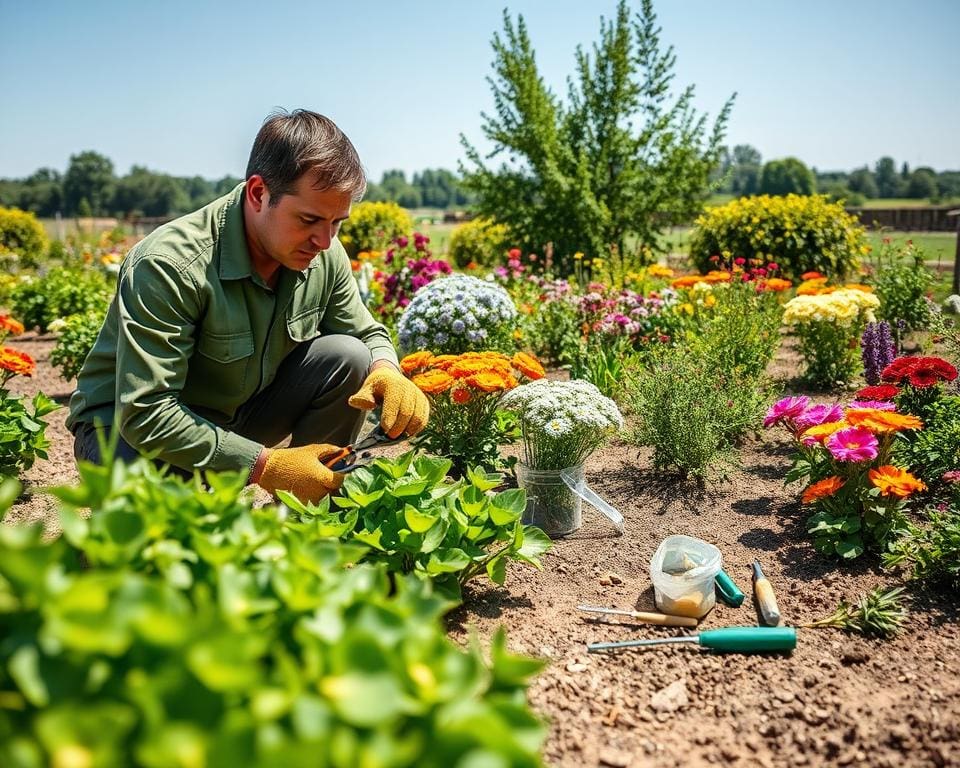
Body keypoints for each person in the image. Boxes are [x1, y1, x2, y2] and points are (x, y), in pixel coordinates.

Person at [66, 109, 429, 502]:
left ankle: (306, 521)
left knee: (349, 356)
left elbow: (365, 333)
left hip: (234, 421)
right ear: (258, 193)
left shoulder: (323, 253)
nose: (324, 240)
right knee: (166, 553)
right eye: (308, 219)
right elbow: (147, 413)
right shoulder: (170, 264)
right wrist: (266, 465)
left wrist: (388, 370)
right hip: (127, 435)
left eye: (337, 223)